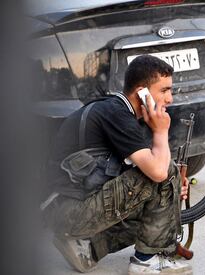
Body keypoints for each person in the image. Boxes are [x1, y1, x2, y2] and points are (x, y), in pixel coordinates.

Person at [42, 55, 192, 274]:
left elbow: (145, 177)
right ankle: (145, 262)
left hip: (72, 207)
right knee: (164, 172)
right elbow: (159, 172)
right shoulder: (116, 113)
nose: (169, 98)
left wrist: (173, 188)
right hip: (66, 211)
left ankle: (88, 248)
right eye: (164, 90)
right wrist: (161, 131)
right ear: (141, 91)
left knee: (164, 187)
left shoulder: (125, 115)